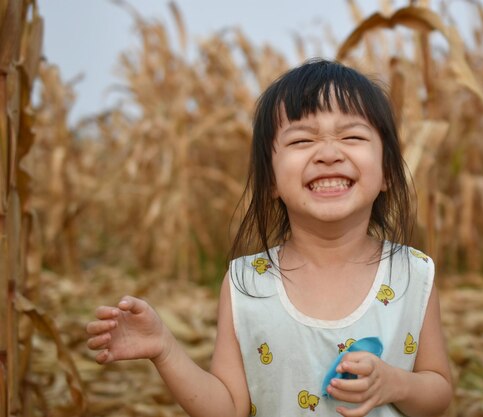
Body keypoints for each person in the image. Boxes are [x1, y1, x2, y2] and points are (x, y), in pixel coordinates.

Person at [86, 59, 453, 417]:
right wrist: (164, 348)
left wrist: (395, 384)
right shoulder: (247, 283)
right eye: (302, 140)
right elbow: (228, 407)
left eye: (352, 136)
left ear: (388, 171)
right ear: (272, 180)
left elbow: (438, 391)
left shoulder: (412, 274)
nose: (328, 153)